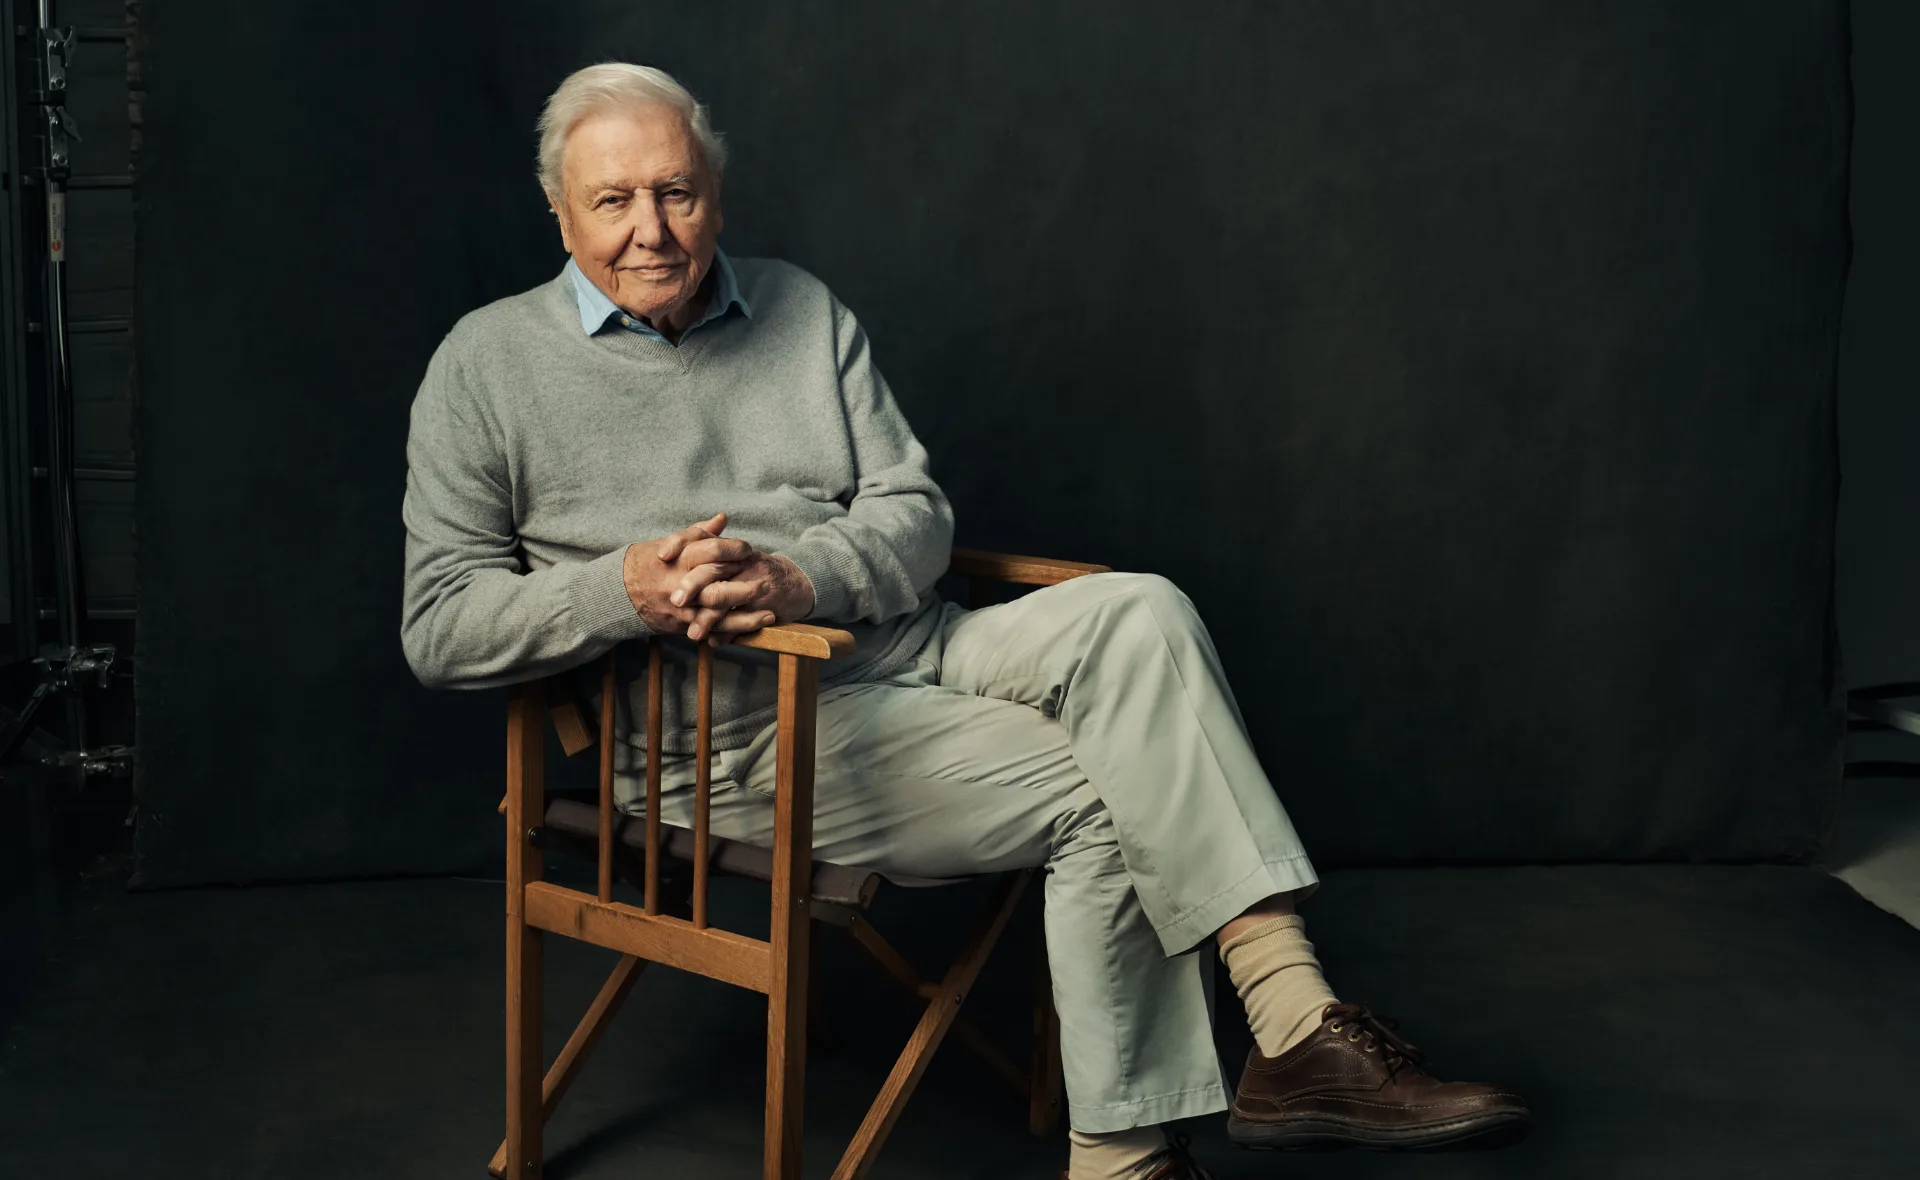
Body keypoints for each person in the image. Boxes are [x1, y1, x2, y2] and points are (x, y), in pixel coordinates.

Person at [401, 61, 1530, 1180]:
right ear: (557, 211)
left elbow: (917, 515)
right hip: (731, 739)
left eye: (676, 192)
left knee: (1143, 607)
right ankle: (1125, 1157)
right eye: (612, 201)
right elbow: (441, 627)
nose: (651, 229)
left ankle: (1293, 1030)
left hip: (909, 644)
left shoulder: (802, 310)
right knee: (1108, 790)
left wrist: (805, 577)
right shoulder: (486, 366)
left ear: (715, 194)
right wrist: (623, 590)